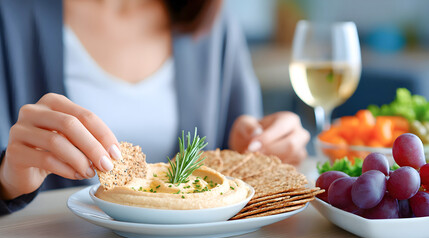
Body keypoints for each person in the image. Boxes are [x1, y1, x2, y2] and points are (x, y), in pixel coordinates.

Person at [0, 0, 310, 215]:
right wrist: (6, 182)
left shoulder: (210, 19)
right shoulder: (10, 18)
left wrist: (267, 143)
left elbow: (244, 154)